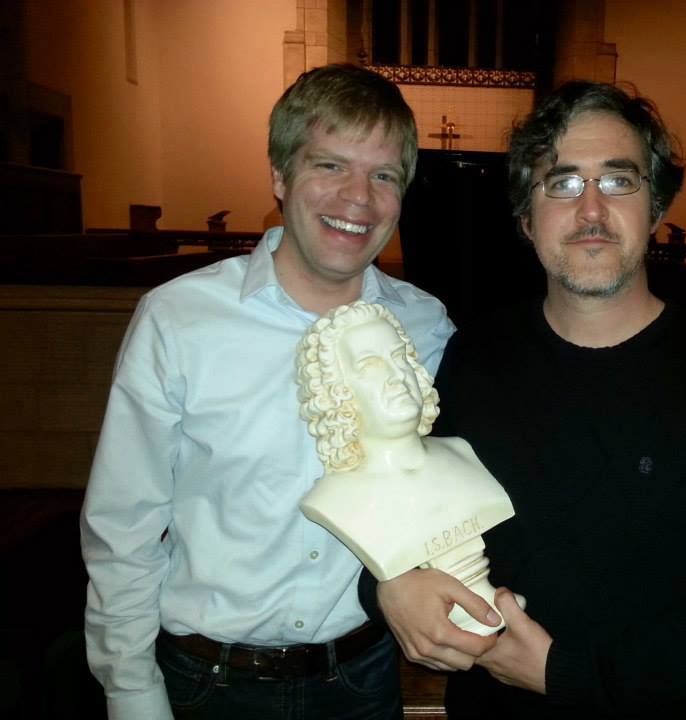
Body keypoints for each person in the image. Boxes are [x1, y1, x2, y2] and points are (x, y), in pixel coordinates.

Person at [366, 81, 686, 718]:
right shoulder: (474, 358)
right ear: (526, 219)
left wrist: (570, 676)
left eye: (617, 180)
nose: (590, 209)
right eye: (562, 183)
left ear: (655, 207)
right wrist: (388, 584)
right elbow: (404, 510)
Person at [80, 64, 455, 720]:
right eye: (330, 166)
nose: (359, 199)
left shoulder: (426, 327)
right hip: (207, 684)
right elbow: (124, 524)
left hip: (362, 679)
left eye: (384, 175)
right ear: (280, 175)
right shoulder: (179, 319)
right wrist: (130, 689)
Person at [295, 301, 516, 634]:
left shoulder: (463, 453)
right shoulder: (334, 501)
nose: (397, 375)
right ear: (335, 391)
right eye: (370, 366)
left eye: (399, 358)